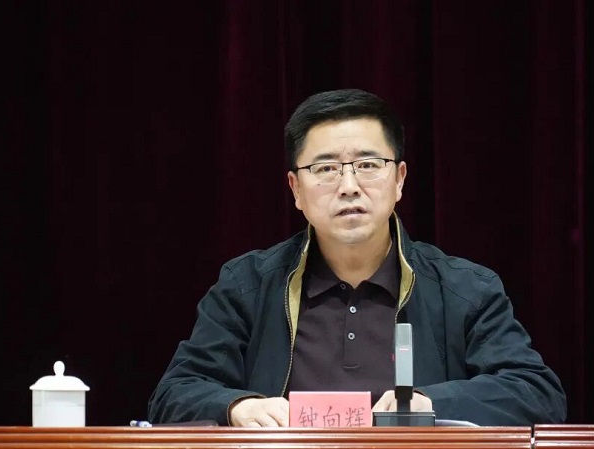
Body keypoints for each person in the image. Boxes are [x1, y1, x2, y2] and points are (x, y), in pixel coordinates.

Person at [147, 88, 567, 427]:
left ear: (399, 179)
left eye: (368, 164)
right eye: (326, 169)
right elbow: (174, 393)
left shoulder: (466, 289)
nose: (349, 186)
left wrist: (428, 402)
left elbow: (537, 392)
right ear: (295, 189)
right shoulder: (247, 286)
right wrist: (239, 406)